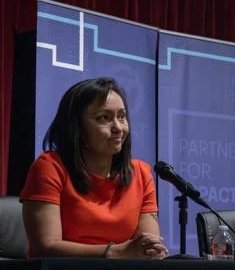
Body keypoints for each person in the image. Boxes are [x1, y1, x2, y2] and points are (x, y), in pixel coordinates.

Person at [20, 77, 167, 259]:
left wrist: (150, 250)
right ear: (77, 127)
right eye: (104, 118)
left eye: (121, 116)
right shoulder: (50, 167)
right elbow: (45, 247)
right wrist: (115, 252)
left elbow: (147, 247)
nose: (118, 127)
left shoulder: (141, 173)